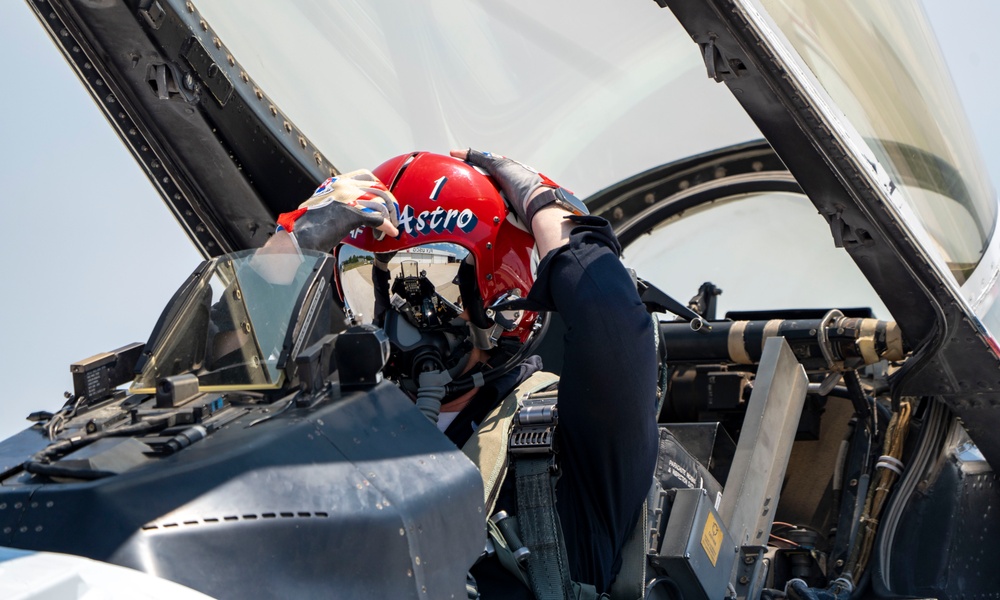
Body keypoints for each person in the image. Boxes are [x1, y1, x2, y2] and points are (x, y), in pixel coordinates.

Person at [272, 149, 659, 598]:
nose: (398, 319)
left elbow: (610, 322)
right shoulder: (340, 441)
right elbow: (220, 391)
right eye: (373, 288)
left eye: (434, 289)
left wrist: (546, 206)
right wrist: (289, 248)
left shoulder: (575, 445)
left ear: (502, 293)